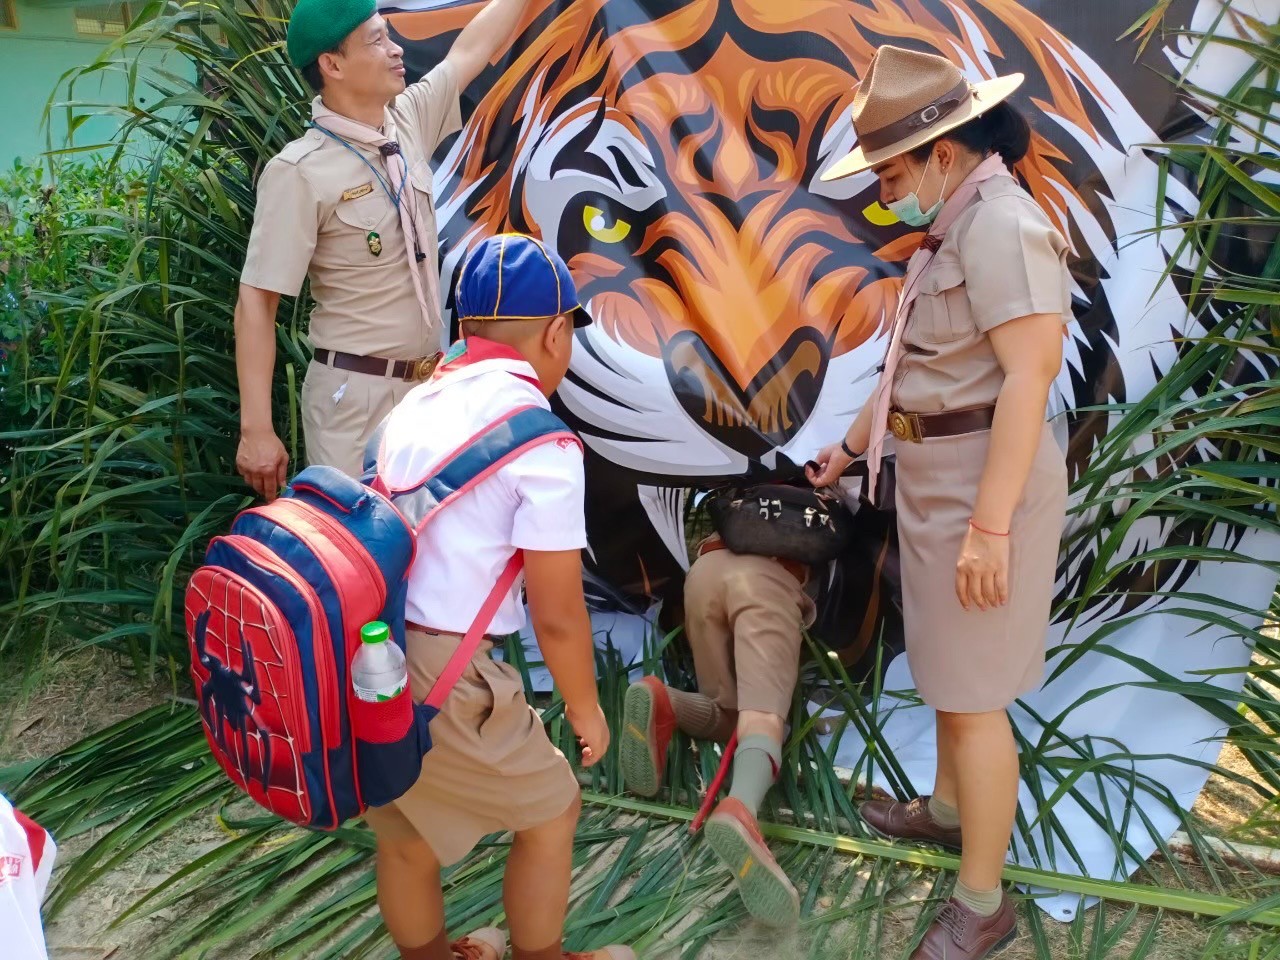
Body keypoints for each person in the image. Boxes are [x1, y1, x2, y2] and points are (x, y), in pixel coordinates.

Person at [809, 46, 1071, 960]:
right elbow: (914, 371)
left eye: (891, 175)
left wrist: (990, 528)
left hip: (980, 488)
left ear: (943, 154)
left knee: (975, 698)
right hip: (938, 482)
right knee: (953, 681)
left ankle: (982, 903)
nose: (885, 196)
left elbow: (1029, 379)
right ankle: (952, 811)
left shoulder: (1001, 227)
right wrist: (850, 450)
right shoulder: (957, 227)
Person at [364, 233, 631, 960]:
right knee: (553, 810)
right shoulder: (542, 444)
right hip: (451, 677)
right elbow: (557, 613)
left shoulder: (412, 408)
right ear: (555, 333)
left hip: (372, 656)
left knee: (405, 836)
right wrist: (585, 709)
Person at [235, 0, 536, 497]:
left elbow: (469, 51)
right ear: (332, 65)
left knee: (428, 540)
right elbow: (256, 300)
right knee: (363, 541)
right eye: (376, 40)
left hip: (428, 391)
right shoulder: (299, 172)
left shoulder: (406, 122)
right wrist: (256, 430)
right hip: (354, 402)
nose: (396, 50)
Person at [619, 510, 817, 927]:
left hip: (706, 571)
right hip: (769, 577)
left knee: (728, 712)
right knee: (762, 717)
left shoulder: (752, 480)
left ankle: (666, 701)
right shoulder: (832, 482)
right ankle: (741, 808)